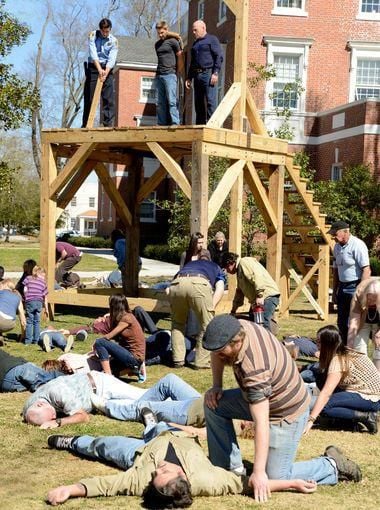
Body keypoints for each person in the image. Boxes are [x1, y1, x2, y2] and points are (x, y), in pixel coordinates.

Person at [202, 315, 362, 502]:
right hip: (260, 397)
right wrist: (216, 386)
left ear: (237, 342)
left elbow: (262, 421)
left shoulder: (255, 368)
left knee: (275, 478)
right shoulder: (235, 327)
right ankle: (231, 469)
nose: (218, 355)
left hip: (285, 412)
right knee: (214, 404)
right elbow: (215, 350)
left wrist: (259, 472)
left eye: (221, 351)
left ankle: (331, 465)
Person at [46, 417, 319, 507]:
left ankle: (72, 441)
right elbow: (249, 484)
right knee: (158, 425)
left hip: (142, 450)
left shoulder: (141, 478)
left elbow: (105, 484)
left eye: (158, 473)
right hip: (176, 433)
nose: (158, 468)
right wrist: (293, 482)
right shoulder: (209, 481)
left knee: (106, 446)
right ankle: (151, 421)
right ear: (183, 476)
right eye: (163, 470)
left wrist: (70, 489)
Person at [304, 325, 380, 435]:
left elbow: (326, 393)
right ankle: (347, 419)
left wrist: (311, 420)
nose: (317, 345)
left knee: (324, 407)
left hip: (371, 398)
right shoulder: (344, 351)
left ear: (328, 344)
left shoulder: (338, 360)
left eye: (319, 342)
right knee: (321, 378)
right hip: (363, 392)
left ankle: (366, 416)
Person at [22, 370, 148, 428]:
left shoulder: (59, 394)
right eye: (54, 417)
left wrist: (58, 422)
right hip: (96, 400)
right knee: (136, 407)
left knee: (143, 396)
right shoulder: (29, 406)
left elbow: (83, 416)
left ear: (40, 404)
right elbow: (28, 415)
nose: (55, 416)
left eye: (53, 414)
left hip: (100, 384)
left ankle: (167, 387)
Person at [169, 257, 225, 369]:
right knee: (207, 325)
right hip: (199, 284)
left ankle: (178, 360)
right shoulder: (215, 267)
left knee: (177, 324)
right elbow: (220, 288)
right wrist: (211, 307)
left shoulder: (188, 265)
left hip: (177, 284)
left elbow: (167, 289)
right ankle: (202, 362)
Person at [94, 373, 205, 427]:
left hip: (194, 413)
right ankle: (135, 412)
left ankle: (108, 407)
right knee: (169, 381)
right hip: (201, 401)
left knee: (145, 407)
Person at [328, 221, 371, 344]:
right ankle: (345, 348)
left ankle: (358, 347)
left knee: (355, 322)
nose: (333, 237)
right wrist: (335, 291)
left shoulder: (357, 245)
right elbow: (336, 270)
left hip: (356, 286)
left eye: (335, 234)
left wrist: (361, 292)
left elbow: (366, 270)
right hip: (342, 286)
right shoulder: (336, 247)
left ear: (346, 232)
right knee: (341, 322)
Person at [93, 294, 146, 382]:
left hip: (134, 358)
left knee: (100, 342)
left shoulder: (127, 318)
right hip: (129, 355)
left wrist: (96, 343)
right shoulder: (123, 317)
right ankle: (134, 370)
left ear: (114, 305)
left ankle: (108, 376)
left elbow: (109, 336)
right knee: (102, 368)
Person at [222, 252, 280, 332]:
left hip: (267, 296)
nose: (227, 271)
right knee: (253, 322)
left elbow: (257, 275)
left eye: (226, 268)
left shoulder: (244, 262)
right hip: (259, 298)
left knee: (262, 323)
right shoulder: (239, 272)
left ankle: (267, 343)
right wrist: (233, 311)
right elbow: (239, 293)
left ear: (230, 263)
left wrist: (260, 295)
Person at [82, 18, 118, 128]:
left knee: (109, 98)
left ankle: (108, 124)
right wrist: (99, 70)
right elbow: (93, 54)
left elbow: (112, 59)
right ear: (100, 29)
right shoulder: (93, 35)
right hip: (94, 67)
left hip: (107, 68)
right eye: (104, 31)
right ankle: (86, 124)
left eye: (108, 31)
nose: (105, 34)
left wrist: (105, 72)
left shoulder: (114, 41)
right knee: (90, 97)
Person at [185, 20, 223, 124]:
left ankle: (212, 126)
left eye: (195, 30)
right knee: (198, 103)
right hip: (197, 75)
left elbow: (219, 56)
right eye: (193, 30)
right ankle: (200, 127)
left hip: (208, 73)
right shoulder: (195, 44)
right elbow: (192, 62)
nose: (193, 32)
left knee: (210, 101)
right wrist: (189, 77)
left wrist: (215, 73)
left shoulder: (212, 39)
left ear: (203, 28)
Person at [154, 21, 184, 126]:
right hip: (159, 75)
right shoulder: (157, 45)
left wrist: (177, 71)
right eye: (158, 33)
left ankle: (175, 122)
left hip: (170, 74)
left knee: (172, 100)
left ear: (167, 30)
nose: (160, 35)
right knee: (159, 102)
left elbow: (180, 57)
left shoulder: (173, 41)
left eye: (162, 32)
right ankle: (161, 123)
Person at [347, 277, 380, 369]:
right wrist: (349, 347)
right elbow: (353, 323)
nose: (371, 302)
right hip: (363, 318)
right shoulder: (359, 294)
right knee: (358, 345)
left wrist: (378, 334)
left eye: (374, 300)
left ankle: (378, 374)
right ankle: (363, 370)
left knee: (379, 345)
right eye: (369, 299)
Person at [23, 266, 48, 345]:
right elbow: (45, 297)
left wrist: (26, 297)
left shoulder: (28, 278)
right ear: (39, 273)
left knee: (29, 321)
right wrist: (46, 309)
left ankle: (28, 341)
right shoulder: (43, 283)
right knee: (37, 322)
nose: (43, 278)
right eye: (43, 276)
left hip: (30, 301)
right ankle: (36, 340)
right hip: (39, 303)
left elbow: (25, 289)